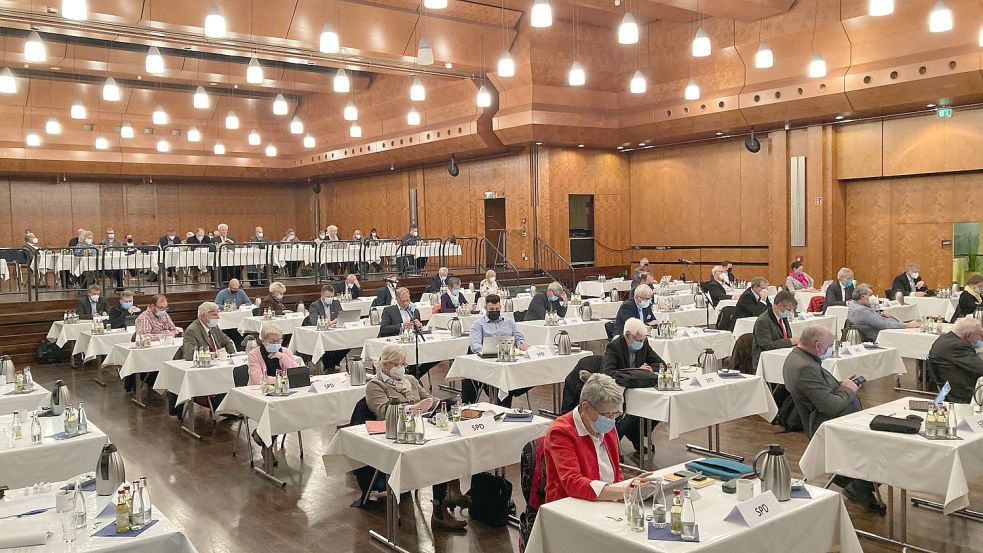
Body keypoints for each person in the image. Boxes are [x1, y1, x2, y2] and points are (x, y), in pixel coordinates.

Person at [365, 345, 469, 530]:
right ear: (387, 365)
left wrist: (447, 404)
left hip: (421, 427)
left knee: (452, 442)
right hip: (396, 435)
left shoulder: (411, 380)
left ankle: (452, 491)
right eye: (399, 364)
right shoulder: (375, 386)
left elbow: (430, 400)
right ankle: (438, 508)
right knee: (439, 451)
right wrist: (415, 408)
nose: (403, 368)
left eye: (405, 363)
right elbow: (383, 412)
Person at [783, 324, 884, 514]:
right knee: (884, 443)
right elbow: (830, 406)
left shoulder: (800, 358)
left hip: (832, 417)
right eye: (830, 345)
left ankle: (859, 484)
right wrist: (847, 389)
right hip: (827, 424)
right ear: (818, 345)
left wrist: (843, 385)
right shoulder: (804, 367)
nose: (831, 349)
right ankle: (859, 485)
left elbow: (821, 392)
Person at [543, 373, 631, 502]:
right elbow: (573, 483)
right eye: (607, 414)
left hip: (607, 499)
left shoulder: (606, 425)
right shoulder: (561, 432)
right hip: (570, 504)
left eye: (615, 414)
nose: (612, 420)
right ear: (586, 407)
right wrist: (624, 492)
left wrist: (630, 487)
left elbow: (615, 471)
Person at [601, 318, 664, 459]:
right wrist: (636, 371)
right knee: (630, 413)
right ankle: (614, 442)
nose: (641, 343)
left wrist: (648, 370)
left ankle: (636, 433)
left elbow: (661, 364)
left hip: (638, 389)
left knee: (658, 406)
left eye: (643, 340)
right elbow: (608, 373)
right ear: (628, 336)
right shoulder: (614, 347)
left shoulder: (644, 343)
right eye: (638, 340)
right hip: (617, 391)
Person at [462, 294, 529, 405]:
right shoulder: (478, 325)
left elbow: (518, 337)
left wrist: (521, 343)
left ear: (500, 307)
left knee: (524, 374)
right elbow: (475, 347)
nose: (494, 311)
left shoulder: (509, 322)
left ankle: (507, 399)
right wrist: (486, 353)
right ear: (485, 308)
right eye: (491, 309)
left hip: (509, 359)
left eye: (497, 309)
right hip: (488, 363)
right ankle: (503, 403)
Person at [927, 317, 983, 403]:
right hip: (962, 391)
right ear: (968, 335)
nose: (981, 339)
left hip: (948, 389)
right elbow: (980, 369)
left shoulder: (945, 339)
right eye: (980, 335)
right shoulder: (958, 347)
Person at [847, 283, 919, 342]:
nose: (873, 297)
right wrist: (907, 325)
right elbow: (884, 325)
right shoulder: (862, 311)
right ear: (862, 297)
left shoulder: (854, 306)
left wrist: (888, 316)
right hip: (879, 339)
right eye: (870, 295)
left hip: (880, 333)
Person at [751, 290, 799, 369]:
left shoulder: (783, 317)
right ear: (780, 305)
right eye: (789, 310)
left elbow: (787, 336)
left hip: (782, 354)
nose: (790, 313)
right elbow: (767, 345)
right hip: (767, 361)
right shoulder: (763, 321)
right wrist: (790, 341)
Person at [306, 285, 348, 371]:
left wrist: (338, 321)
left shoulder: (336, 303)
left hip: (335, 331)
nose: (330, 298)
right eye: (328, 297)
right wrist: (331, 323)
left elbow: (342, 317)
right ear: (322, 295)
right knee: (328, 343)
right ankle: (329, 365)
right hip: (321, 332)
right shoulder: (314, 305)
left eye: (332, 296)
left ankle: (331, 364)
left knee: (348, 342)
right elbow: (315, 322)